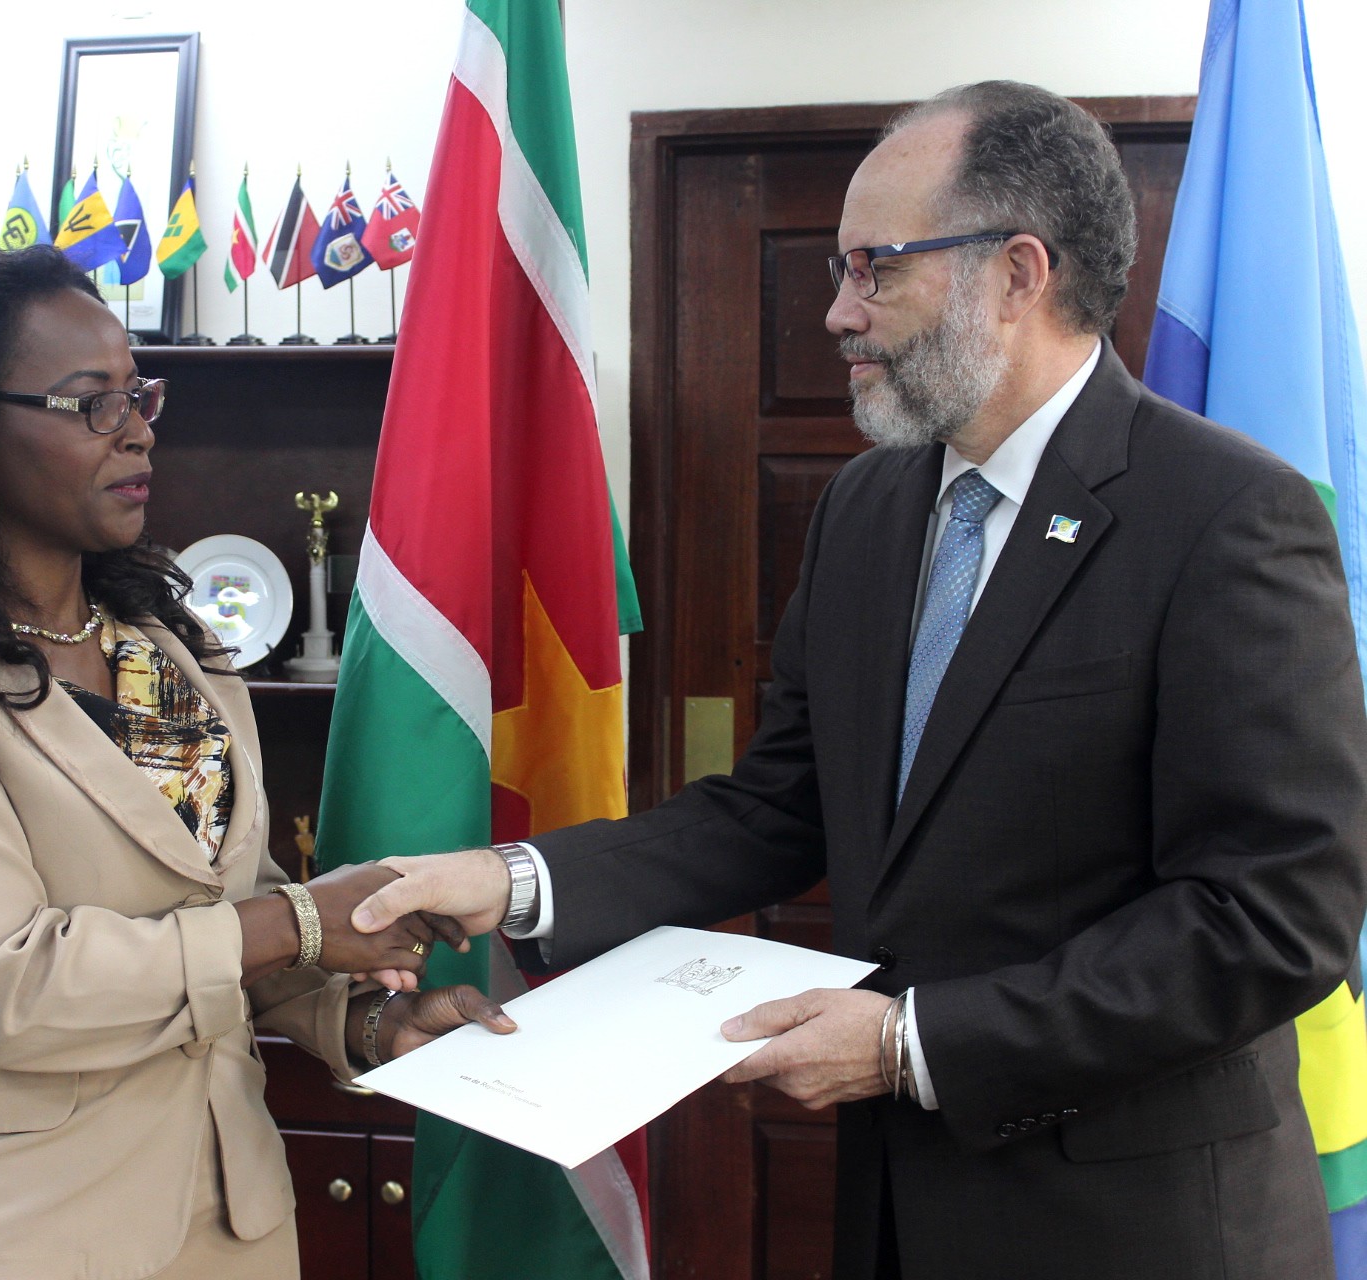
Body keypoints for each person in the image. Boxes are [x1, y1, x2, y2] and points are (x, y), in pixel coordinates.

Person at [347, 82, 1367, 1279]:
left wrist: (911, 1043)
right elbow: (777, 808)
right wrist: (511, 879)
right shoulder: (868, 508)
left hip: (1145, 1231)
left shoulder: (1227, 513)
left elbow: (1271, 917)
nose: (837, 311)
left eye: (874, 266)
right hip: (902, 1212)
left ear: (1018, 271)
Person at [0, 246, 513, 1280]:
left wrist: (368, 1015)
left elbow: (227, 913)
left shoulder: (163, 644)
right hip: (13, 1237)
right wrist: (308, 917)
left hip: (232, 1223)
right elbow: (9, 987)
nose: (136, 430)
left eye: (140, 394)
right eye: (90, 403)